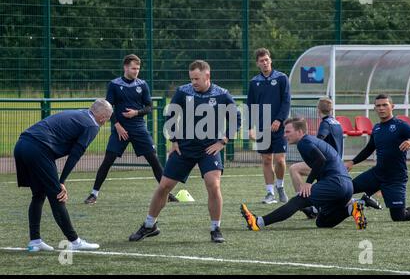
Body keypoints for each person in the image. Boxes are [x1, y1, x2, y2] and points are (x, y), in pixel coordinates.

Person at [129, 60, 241, 243]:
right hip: (184, 147)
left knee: (213, 185)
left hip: (209, 149)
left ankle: (215, 229)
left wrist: (223, 141)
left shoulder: (222, 94)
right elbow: (171, 114)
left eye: (197, 78)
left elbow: (236, 118)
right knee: (164, 186)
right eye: (191, 78)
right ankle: (149, 225)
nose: (193, 82)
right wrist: (173, 141)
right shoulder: (183, 91)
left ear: (207, 76)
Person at [14, 99, 113, 252]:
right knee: (57, 195)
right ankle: (74, 241)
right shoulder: (92, 125)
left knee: (39, 194)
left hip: (22, 145)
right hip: (39, 149)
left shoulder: (81, 114)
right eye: (107, 119)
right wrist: (62, 182)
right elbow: (75, 154)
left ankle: (35, 240)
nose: (106, 122)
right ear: (102, 117)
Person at [241, 117, 367, 231]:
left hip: (335, 184)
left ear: (300, 131)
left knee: (297, 201)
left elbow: (320, 160)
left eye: (288, 132)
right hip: (347, 186)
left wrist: (308, 183)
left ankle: (258, 222)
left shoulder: (304, 143)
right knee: (322, 222)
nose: (285, 135)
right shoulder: (309, 141)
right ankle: (352, 209)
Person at [84, 54, 178, 204]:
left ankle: (167, 193)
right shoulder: (114, 85)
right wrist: (117, 126)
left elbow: (149, 107)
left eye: (138, 68)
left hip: (139, 129)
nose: (136, 71)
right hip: (120, 130)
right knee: (108, 161)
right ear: (125, 67)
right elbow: (107, 108)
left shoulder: (142, 85)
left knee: (154, 160)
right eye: (133, 68)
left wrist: (136, 113)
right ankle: (94, 194)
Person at [289, 97, 380, 219]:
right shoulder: (336, 122)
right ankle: (360, 201)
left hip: (328, 163)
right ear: (331, 110)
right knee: (334, 193)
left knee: (294, 168)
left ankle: (302, 201)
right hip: (337, 162)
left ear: (318, 110)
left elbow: (319, 141)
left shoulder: (325, 124)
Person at [345, 94, 410, 222]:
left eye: (385, 105)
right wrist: (352, 162)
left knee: (399, 217)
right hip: (377, 174)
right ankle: (361, 202)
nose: (381, 108)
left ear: (392, 106)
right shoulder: (377, 128)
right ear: (375, 108)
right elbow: (369, 148)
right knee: (345, 189)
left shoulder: (400, 125)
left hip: (395, 178)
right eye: (378, 106)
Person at [247, 48, 290, 204]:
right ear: (257, 64)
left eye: (266, 59)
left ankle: (280, 187)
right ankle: (270, 193)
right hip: (261, 126)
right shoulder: (254, 82)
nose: (265, 63)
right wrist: (250, 127)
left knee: (279, 159)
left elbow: (286, 102)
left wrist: (279, 120)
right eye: (261, 61)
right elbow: (250, 105)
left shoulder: (282, 78)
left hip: (280, 126)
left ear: (270, 60)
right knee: (266, 159)